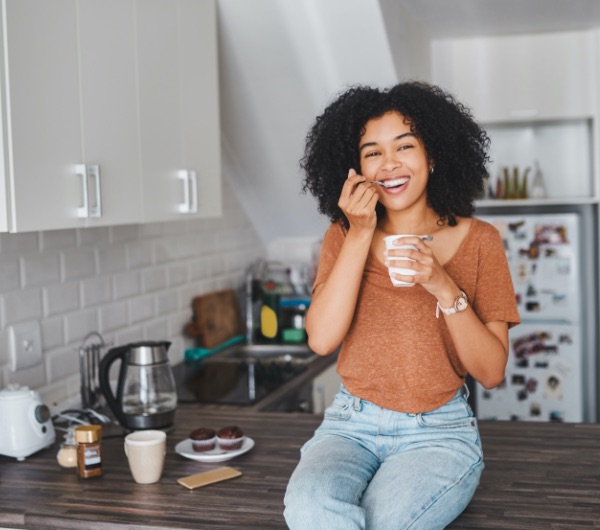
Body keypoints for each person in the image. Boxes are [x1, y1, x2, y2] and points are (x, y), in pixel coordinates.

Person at [283, 81, 520, 530]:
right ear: (356, 168)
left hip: (439, 433)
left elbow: (490, 372)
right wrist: (358, 231)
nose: (388, 163)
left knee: (382, 523)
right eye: (372, 152)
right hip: (349, 425)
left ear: (432, 156)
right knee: (312, 510)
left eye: (404, 146)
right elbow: (321, 339)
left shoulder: (481, 242)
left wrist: (442, 284)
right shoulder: (341, 234)